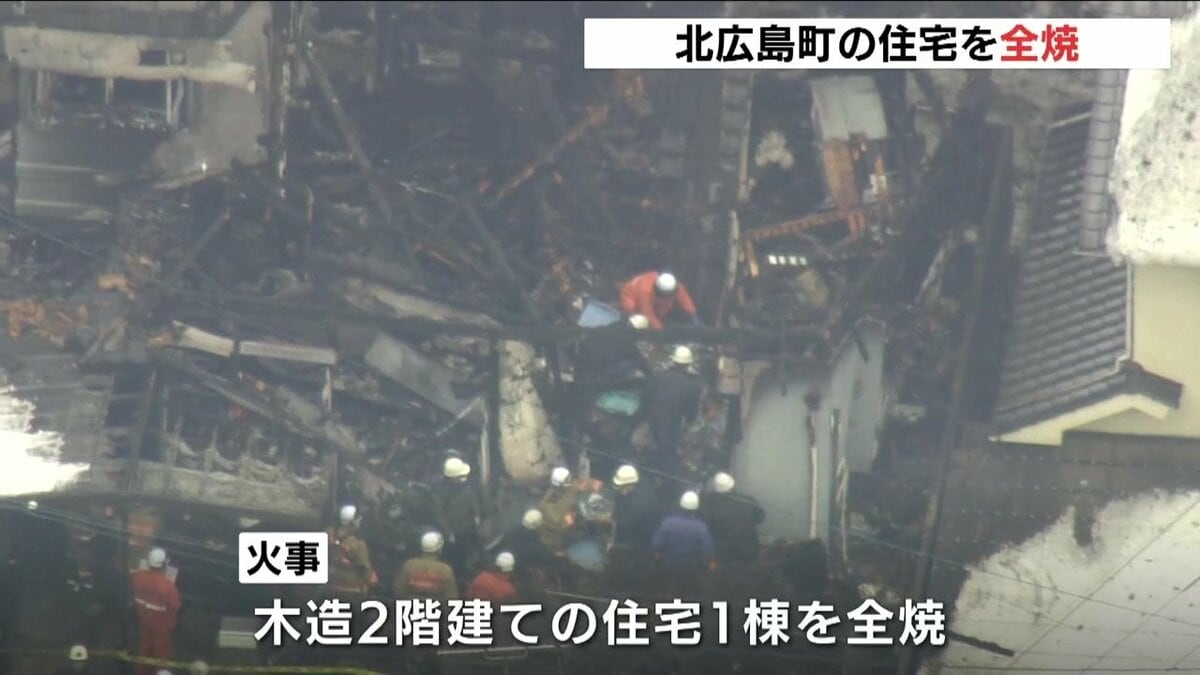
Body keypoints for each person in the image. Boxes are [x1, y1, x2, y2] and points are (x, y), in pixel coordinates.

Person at [642, 346, 703, 478]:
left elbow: (645, 396)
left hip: (653, 416)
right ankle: (667, 475)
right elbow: (692, 410)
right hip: (672, 420)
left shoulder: (657, 376)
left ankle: (655, 468)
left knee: (658, 442)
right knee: (669, 448)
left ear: (673, 361)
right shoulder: (692, 384)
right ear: (688, 364)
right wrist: (689, 422)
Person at [651, 491, 715, 597]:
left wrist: (658, 558)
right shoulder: (701, 527)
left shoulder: (667, 523)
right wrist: (711, 562)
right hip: (691, 570)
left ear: (680, 506)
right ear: (696, 509)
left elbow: (656, 546)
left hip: (669, 566)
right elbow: (707, 549)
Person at [130, 547, 181, 675]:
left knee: (143, 655)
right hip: (161, 630)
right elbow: (175, 606)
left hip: (142, 624)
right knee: (161, 660)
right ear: (164, 564)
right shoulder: (168, 587)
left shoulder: (137, 577)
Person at [433, 456, 482, 580]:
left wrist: (476, 515)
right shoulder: (441, 492)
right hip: (455, 532)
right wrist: (448, 532)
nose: (463, 478)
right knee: (456, 557)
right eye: (459, 476)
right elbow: (439, 514)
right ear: (451, 477)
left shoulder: (465, 485)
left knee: (473, 549)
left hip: (468, 527)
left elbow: (472, 499)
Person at [702, 472, 765, 565]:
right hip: (748, 552)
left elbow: (705, 527)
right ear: (732, 486)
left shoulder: (709, 504)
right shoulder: (748, 500)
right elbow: (760, 518)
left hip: (724, 556)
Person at [574, 313, 652, 386]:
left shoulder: (614, 326)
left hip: (584, 359)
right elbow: (640, 361)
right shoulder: (628, 342)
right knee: (631, 363)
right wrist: (652, 375)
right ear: (639, 331)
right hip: (597, 371)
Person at [497, 509, 558, 590]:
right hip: (523, 578)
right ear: (539, 525)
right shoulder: (536, 546)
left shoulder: (510, 533)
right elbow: (550, 559)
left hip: (505, 573)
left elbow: (499, 548)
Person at [326, 505, 377, 597]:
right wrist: (371, 578)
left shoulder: (329, 535)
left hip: (331, 584)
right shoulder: (358, 543)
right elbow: (364, 568)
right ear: (353, 521)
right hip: (351, 589)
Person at [619, 271, 699, 329]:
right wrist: (660, 329)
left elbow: (684, 298)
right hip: (632, 295)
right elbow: (647, 312)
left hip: (654, 298)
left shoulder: (675, 286)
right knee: (634, 311)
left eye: (668, 294)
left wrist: (693, 315)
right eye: (663, 294)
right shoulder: (644, 290)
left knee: (662, 312)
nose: (666, 297)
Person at [394, 531, 459, 601]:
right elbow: (451, 598)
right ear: (440, 549)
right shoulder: (445, 570)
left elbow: (399, 591)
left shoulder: (409, 565)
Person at [538, 467, 580, 556]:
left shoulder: (564, 490)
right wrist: (572, 517)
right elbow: (558, 525)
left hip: (566, 533)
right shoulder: (548, 505)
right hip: (555, 541)